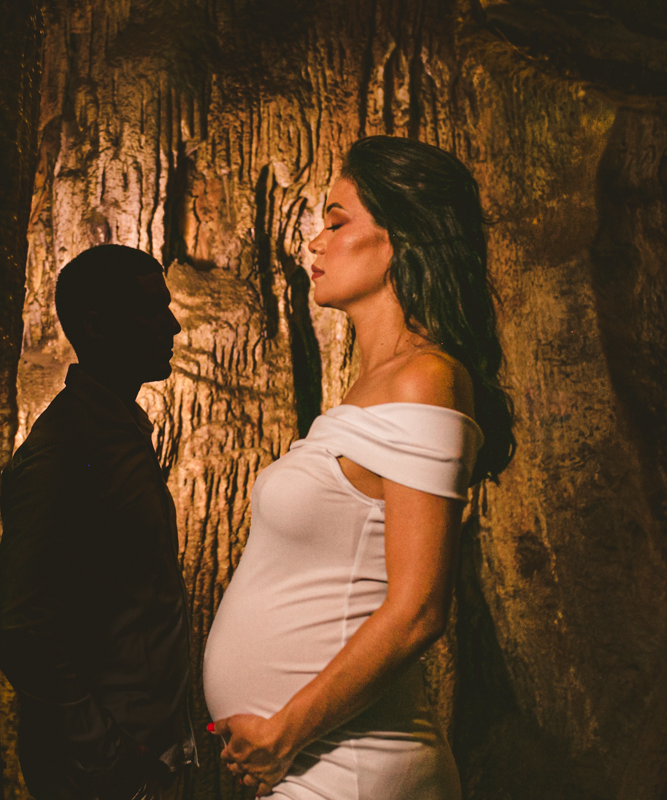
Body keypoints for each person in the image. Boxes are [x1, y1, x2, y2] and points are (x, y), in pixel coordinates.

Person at [202, 136, 516, 800]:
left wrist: (286, 732)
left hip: (350, 766)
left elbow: (420, 608)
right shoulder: (372, 389)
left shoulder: (425, 379)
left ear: (403, 237)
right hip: (318, 766)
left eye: (337, 222)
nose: (313, 243)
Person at [0, 244, 197, 800]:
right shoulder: (66, 450)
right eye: (151, 310)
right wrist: (108, 755)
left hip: (147, 748)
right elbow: (21, 625)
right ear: (97, 327)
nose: (173, 326)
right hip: (106, 773)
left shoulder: (118, 431)